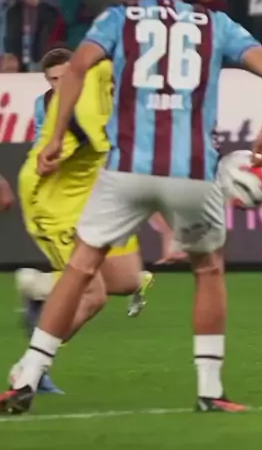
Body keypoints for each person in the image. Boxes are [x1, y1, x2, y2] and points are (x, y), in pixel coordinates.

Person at [0, 0, 262, 415]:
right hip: (191, 170)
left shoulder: (119, 19)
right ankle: (210, 391)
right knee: (208, 270)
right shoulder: (215, 24)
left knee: (81, 267)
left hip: (126, 168)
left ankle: (28, 375)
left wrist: (53, 136)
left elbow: (76, 69)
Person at [9, 46, 154, 393]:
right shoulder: (66, 111)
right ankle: (28, 369)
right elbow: (48, 155)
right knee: (92, 295)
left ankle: (43, 289)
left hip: (93, 196)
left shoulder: (112, 89)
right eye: (54, 79)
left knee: (128, 280)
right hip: (53, 202)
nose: (60, 85)